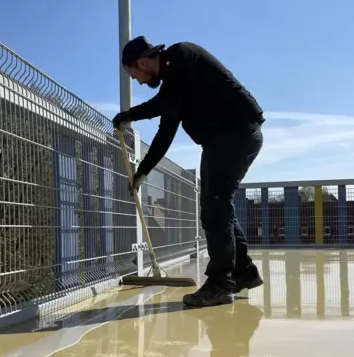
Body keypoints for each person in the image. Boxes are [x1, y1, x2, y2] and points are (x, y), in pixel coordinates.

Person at [113, 36, 264, 307]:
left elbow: (160, 104)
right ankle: (244, 272)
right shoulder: (175, 86)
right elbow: (165, 132)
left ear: (142, 62)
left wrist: (128, 115)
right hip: (222, 141)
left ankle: (220, 284)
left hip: (235, 135)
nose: (137, 81)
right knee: (219, 208)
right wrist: (142, 172)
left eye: (134, 75)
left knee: (215, 210)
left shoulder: (182, 56)